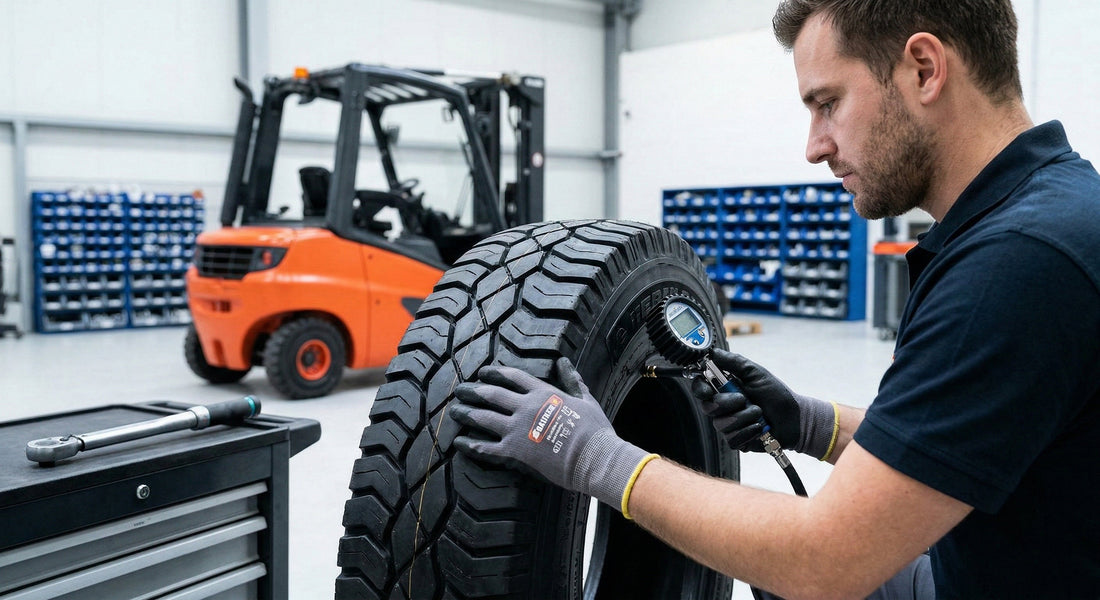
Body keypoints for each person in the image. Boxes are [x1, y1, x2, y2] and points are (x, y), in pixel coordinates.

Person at [448, 1, 1100, 598]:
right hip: (997, 566)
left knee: (784, 568)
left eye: (827, 103)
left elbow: (824, 562)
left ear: (925, 69)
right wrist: (808, 423)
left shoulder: (1014, 265)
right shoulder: (1050, 212)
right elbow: (949, 449)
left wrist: (595, 456)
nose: (814, 145)